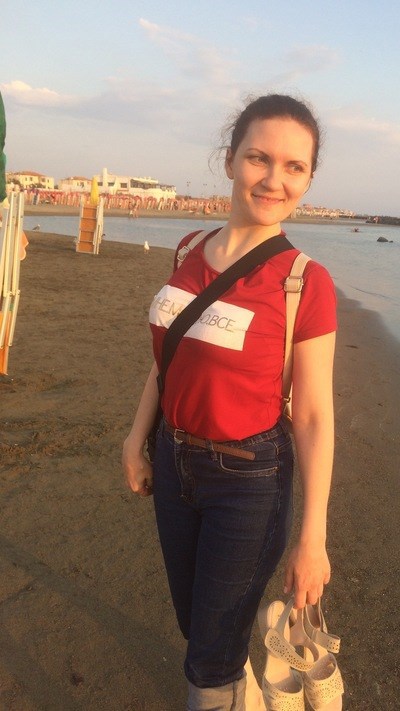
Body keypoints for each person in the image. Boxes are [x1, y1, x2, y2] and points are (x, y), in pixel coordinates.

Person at [122, 94, 337, 710]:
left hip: (249, 480)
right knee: (197, 622)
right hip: (173, 461)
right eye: (258, 158)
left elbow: (314, 416)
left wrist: (312, 539)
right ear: (230, 160)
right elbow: (167, 362)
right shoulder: (188, 247)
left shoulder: (304, 281)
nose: (273, 180)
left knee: (209, 656)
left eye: (294, 167)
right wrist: (136, 439)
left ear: (308, 179)